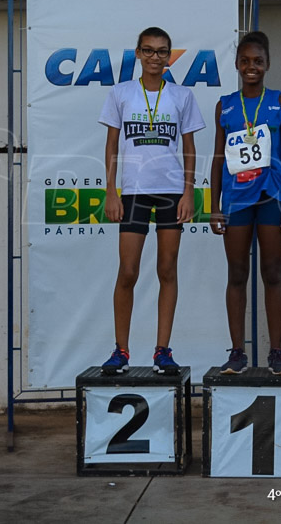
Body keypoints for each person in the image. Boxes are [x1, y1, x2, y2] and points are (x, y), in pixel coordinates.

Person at [98, 27, 205, 375]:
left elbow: (189, 148)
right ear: (138, 54)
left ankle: (162, 351)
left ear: (169, 56)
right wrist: (110, 190)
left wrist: (189, 191)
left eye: (162, 52)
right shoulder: (121, 93)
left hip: (171, 190)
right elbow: (112, 145)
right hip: (132, 192)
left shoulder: (182, 96)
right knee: (127, 271)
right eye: (149, 51)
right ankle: (121, 351)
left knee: (167, 270)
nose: (155, 57)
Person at [209, 31, 281, 375]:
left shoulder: (280, 102)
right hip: (235, 199)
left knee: (272, 272)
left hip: (272, 196)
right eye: (245, 61)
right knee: (236, 273)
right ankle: (237, 352)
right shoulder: (226, 105)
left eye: (258, 61)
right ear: (236, 64)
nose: (252, 67)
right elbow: (218, 157)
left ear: (267, 64)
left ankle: (276, 352)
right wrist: (214, 204)